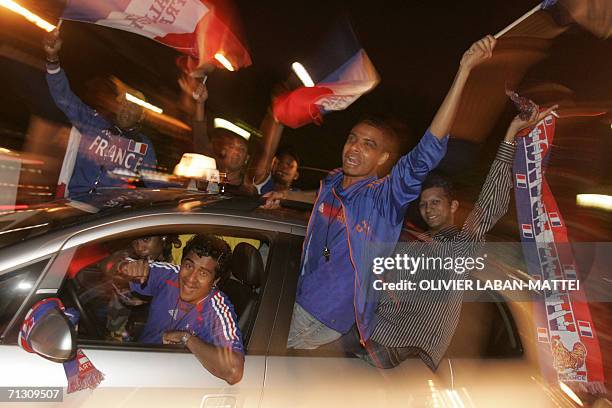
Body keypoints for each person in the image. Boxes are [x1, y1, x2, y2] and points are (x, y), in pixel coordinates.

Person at [282, 36, 498, 350]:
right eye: (353, 138)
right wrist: (284, 197)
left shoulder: (382, 200)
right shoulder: (332, 183)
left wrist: (464, 72)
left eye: (369, 145)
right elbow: (320, 201)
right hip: (299, 294)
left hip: (321, 316)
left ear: (384, 159)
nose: (354, 148)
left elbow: (427, 152)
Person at [345, 105, 558, 370]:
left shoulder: (459, 249)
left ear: (453, 206)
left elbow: (490, 203)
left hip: (400, 354)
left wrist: (510, 135)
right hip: (371, 339)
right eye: (424, 204)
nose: (429, 209)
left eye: (436, 202)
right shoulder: (414, 244)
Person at [43, 29, 161, 196]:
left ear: (141, 116)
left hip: (109, 213)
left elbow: (155, 184)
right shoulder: (93, 122)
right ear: (117, 106)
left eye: (134, 107)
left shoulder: (144, 146)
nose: (127, 108)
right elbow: (64, 98)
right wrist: (52, 58)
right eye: (124, 103)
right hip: (76, 203)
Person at [118, 234, 244, 385]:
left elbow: (234, 371)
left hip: (169, 384)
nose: (191, 278)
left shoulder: (217, 309)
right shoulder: (169, 274)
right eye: (189, 266)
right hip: (134, 365)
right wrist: (125, 267)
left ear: (215, 281)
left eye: (203, 273)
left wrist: (185, 338)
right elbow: (118, 266)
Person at [104, 235, 179, 340]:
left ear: (163, 237)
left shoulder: (181, 257)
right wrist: (124, 267)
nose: (139, 248)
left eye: (146, 239)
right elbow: (114, 262)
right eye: (135, 242)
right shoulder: (137, 258)